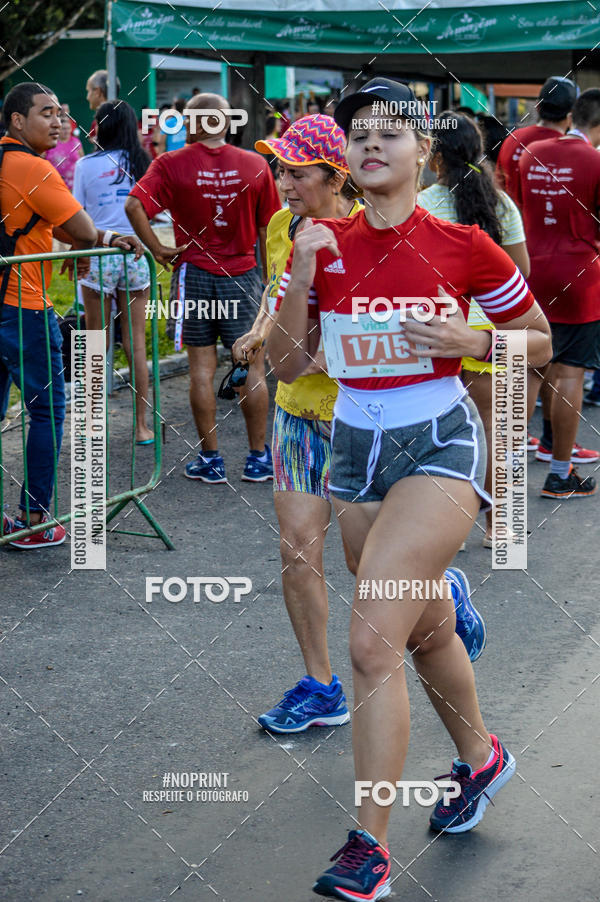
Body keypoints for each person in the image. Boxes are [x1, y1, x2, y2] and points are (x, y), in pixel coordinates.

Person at [268, 77, 552, 901]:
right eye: (358, 132)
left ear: (423, 150)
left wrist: (471, 337)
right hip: (353, 456)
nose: (371, 142)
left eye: (391, 132)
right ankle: (482, 758)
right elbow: (288, 366)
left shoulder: (465, 245)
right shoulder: (322, 242)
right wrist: (297, 279)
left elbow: (536, 341)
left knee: (368, 643)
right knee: (423, 634)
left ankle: (369, 847)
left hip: (439, 446)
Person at [234, 114, 489, 735]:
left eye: (297, 171)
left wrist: (467, 343)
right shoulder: (283, 229)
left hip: (375, 419)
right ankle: (321, 685)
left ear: (333, 174)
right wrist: (269, 330)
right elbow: (280, 297)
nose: (285, 182)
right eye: (281, 169)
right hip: (302, 409)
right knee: (298, 548)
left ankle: (437, 591)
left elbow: (478, 323)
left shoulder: (379, 229)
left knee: (368, 570)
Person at [0, 83, 141, 549]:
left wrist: (79, 240)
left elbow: (52, 223)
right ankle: (32, 520)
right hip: (23, 308)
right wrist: (106, 238)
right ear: (17, 121)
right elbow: (79, 227)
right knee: (47, 412)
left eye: (60, 113)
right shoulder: (35, 168)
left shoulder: (6, 165)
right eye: (46, 113)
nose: (58, 121)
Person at [125, 92, 281, 482]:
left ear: (193, 125)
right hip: (244, 276)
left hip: (193, 274)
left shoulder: (170, 163)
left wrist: (157, 248)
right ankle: (258, 458)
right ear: (226, 122)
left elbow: (133, 206)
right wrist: (267, 277)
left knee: (201, 370)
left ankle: (211, 460)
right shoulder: (255, 165)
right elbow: (268, 228)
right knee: (250, 367)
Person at [418, 111, 530, 547]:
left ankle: (450, 529)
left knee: (443, 435)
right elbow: (520, 274)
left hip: (436, 333)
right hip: (490, 334)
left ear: (437, 159)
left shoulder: (423, 205)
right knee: (498, 431)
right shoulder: (502, 204)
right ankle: (502, 528)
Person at [517, 88, 600, 498]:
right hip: (579, 275)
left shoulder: (530, 152)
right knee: (570, 371)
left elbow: (517, 212)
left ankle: (509, 468)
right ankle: (559, 473)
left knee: (532, 367)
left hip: (530, 270)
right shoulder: (595, 160)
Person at [73, 100, 154, 444]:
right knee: (135, 342)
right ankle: (142, 427)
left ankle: (93, 426)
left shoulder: (85, 166)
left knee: (95, 342)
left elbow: (77, 218)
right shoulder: (144, 164)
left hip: (100, 253)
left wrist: (76, 256)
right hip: (136, 255)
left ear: (99, 127)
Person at [496, 76, 577, 203]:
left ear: (538, 106)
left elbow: (498, 189)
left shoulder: (513, 139)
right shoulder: (572, 151)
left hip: (510, 221)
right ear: (571, 114)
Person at [45, 105, 83, 191]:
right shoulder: (50, 141)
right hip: (54, 186)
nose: (66, 131)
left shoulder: (76, 142)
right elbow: (41, 159)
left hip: (74, 186)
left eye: (68, 128)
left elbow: (82, 159)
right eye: (63, 129)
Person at [85, 69, 120, 148]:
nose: (87, 97)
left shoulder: (117, 118)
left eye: (88, 91)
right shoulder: (99, 119)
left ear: (97, 92)